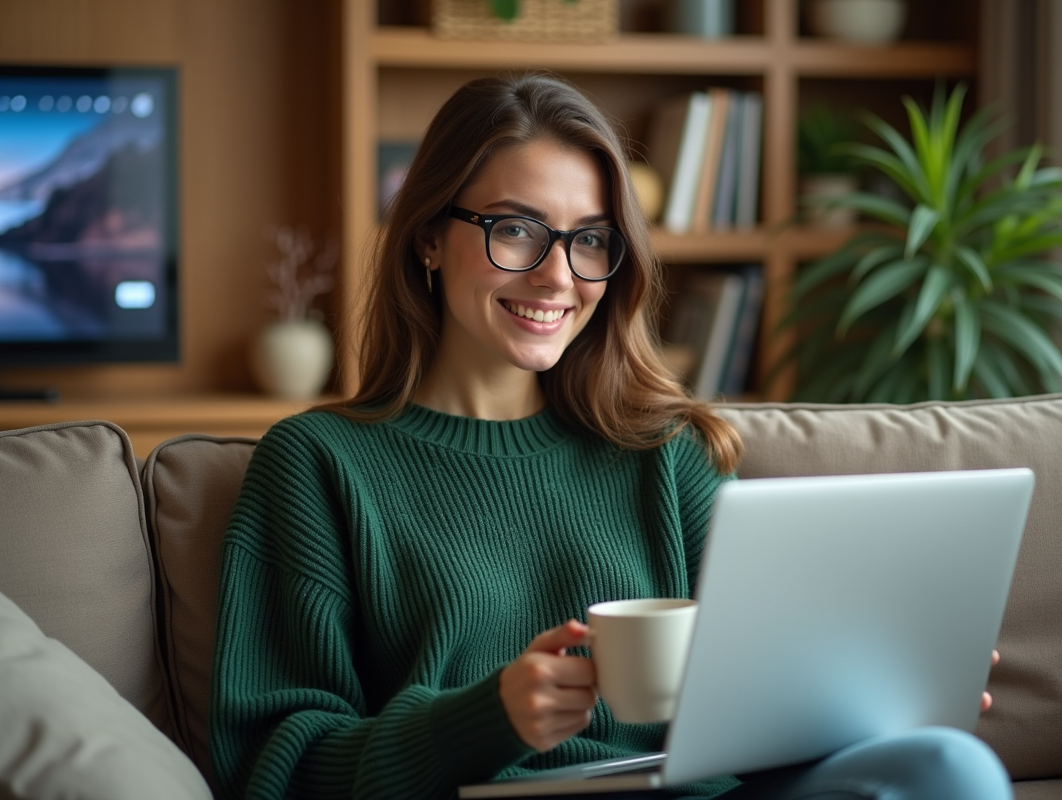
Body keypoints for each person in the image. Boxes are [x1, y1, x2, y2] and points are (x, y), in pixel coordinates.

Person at [208, 72, 1012, 800]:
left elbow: (765, 703)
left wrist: (892, 696)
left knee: (951, 767)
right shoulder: (319, 465)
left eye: (590, 239)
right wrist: (483, 720)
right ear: (427, 237)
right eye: (516, 230)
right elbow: (273, 769)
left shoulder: (660, 454)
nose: (558, 276)